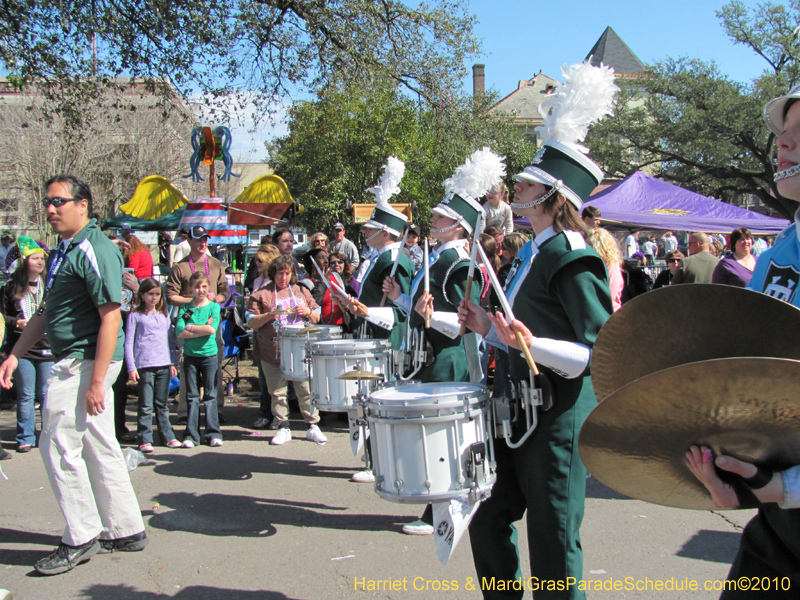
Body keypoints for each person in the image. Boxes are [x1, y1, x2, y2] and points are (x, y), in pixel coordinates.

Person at [457, 120, 613, 598]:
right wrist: (487, 327)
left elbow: (599, 352)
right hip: (514, 409)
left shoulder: (573, 255)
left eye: (525, 184)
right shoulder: (531, 252)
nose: (515, 189)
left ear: (552, 195)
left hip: (555, 416)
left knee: (553, 544)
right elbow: (517, 332)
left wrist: (530, 343)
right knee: (486, 515)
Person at [0, 174, 148, 575]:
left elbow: (112, 317)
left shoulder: (93, 248)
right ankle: (125, 528)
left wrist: (97, 381)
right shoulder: (65, 250)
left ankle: (81, 534)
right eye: (47, 201)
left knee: (57, 441)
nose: (50, 208)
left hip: (84, 361)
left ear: (83, 204)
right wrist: (14, 354)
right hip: (79, 359)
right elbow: (47, 313)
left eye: (58, 201)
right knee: (100, 442)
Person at [686, 84, 800, 598]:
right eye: (783, 132)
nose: (784, 144)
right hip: (777, 529)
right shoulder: (782, 249)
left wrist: (785, 487)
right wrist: (729, 469)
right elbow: (743, 373)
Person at [382, 168, 491, 535]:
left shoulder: (460, 263)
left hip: (449, 357)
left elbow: (466, 322)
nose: (432, 220)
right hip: (428, 355)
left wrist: (434, 318)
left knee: (443, 436)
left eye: (440, 217)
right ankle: (439, 505)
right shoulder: (437, 256)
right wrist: (401, 298)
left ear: (458, 226)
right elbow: (422, 304)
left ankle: (442, 510)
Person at [246, 255, 327, 446]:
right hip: (271, 349)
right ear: (273, 273)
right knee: (277, 391)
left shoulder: (301, 291)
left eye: (287, 273)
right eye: (280, 273)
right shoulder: (261, 294)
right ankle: (283, 426)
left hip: (299, 350)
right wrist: (269, 315)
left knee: (305, 389)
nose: (283, 277)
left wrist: (307, 312)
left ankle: (312, 425)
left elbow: (317, 316)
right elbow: (251, 321)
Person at [166, 225, 230, 424]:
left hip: (211, 322)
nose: (203, 243)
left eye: (205, 239)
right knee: (188, 365)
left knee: (215, 364)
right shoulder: (180, 267)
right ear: (189, 241)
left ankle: (216, 410)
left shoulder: (216, 264)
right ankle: (184, 411)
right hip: (190, 321)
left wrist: (215, 299)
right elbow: (170, 296)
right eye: (198, 239)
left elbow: (224, 292)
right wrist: (192, 301)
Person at [1, 237, 53, 452]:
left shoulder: (49, 286)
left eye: (42, 258)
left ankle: (48, 436)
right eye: (35, 258)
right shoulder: (10, 288)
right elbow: (3, 317)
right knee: (26, 395)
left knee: (46, 394)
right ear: (25, 262)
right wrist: (18, 322)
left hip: (46, 347)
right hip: (21, 348)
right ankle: (25, 436)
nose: (40, 262)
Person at [125, 278, 180, 452]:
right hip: (145, 364)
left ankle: (167, 436)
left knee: (162, 404)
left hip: (163, 363)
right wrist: (131, 367)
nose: (154, 297)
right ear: (142, 294)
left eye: (157, 294)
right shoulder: (135, 316)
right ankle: (144, 438)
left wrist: (172, 361)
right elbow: (129, 342)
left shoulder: (164, 315)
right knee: (146, 404)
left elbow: (170, 340)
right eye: (150, 294)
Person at [175, 271, 223, 448]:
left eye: (204, 286)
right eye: (197, 287)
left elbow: (212, 330)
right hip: (190, 357)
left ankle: (213, 433)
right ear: (191, 289)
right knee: (192, 396)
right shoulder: (187, 309)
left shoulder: (213, 307)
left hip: (209, 356)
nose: (200, 290)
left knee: (210, 395)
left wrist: (192, 328)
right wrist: (201, 327)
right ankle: (191, 435)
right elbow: (179, 331)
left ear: (208, 287)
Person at [587, 227, 624, 311]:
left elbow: (612, 294)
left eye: (591, 245)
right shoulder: (590, 264)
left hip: (610, 313)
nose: (588, 248)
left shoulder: (612, 265)